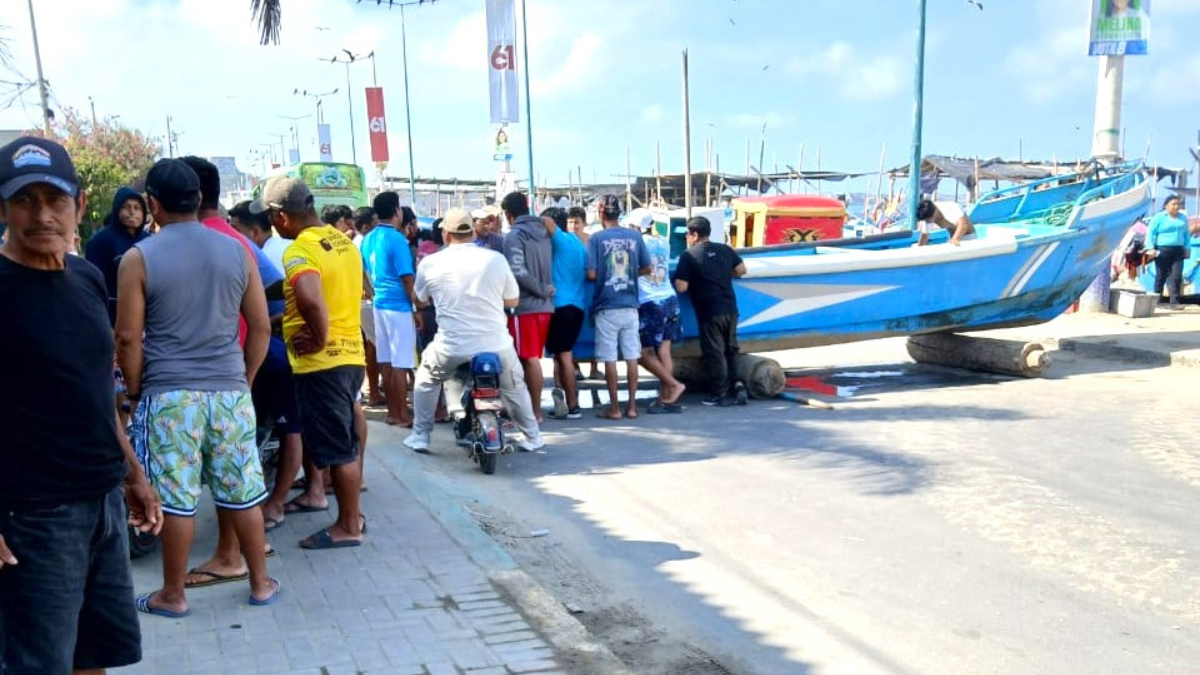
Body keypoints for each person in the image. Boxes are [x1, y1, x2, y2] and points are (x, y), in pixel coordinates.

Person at [0, 136, 161, 675]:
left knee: (95, 654)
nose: (42, 215)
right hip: (32, 516)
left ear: (80, 205)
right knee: (40, 664)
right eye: (25, 200)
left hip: (104, 501)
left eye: (55, 199)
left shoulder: (87, 277)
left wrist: (133, 473)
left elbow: (95, 389)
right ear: (3, 208)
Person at [116, 158, 277, 617]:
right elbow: (261, 327)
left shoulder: (139, 257)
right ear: (200, 198)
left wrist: (133, 391)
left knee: (176, 497)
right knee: (242, 490)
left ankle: (173, 594)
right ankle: (261, 583)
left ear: (153, 204)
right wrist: (242, 381)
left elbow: (127, 338)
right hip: (229, 392)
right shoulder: (237, 251)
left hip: (170, 395)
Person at [176, 156, 300, 583]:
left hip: (214, 375)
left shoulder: (191, 240)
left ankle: (231, 556)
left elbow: (272, 303)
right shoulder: (233, 239)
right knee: (235, 468)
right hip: (240, 369)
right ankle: (248, 549)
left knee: (222, 471)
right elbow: (271, 299)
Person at [251, 176, 367, 549]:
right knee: (342, 439)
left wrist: (316, 335)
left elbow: (312, 298)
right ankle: (353, 515)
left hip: (323, 362)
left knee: (338, 448)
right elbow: (351, 292)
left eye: (269, 216)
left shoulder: (300, 249)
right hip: (351, 356)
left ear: (282, 216)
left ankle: (348, 525)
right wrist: (279, 321)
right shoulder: (342, 242)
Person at [404, 208, 544, 454]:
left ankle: (421, 435)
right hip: (497, 345)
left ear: (446, 234)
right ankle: (532, 437)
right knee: (514, 386)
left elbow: (421, 298)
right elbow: (512, 301)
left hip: (451, 346)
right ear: (471, 231)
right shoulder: (495, 259)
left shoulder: (431, 262)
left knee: (426, 379)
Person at [586, 194, 650, 420]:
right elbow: (647, 268)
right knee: (632, 356)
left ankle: (614, 408)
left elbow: (592, 273)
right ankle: (632, 407)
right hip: (631, 304)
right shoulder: (634, 236)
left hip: (607, 305)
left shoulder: (596, 239)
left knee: (610, 359)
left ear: (601, 212)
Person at [674, 215, 748, 407]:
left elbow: (681, 286)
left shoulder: (688, 256)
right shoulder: (724, 249)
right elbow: (741, 269)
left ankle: (719, 393)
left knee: (714, 352)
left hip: (709, 310)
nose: (687, 238)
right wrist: (724, 274)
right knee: (731, 348)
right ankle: (739, 385)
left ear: (695, 235)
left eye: (688, 235)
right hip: (730, 307)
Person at [360, 191, 420, 426]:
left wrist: (374, 292)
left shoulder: (368, 238)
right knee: (400, 362)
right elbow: (407, 278)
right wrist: (415, 306)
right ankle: (402, 414)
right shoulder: (397, 239)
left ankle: (393, 414)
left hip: (380, 305)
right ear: (397, 211)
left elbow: (362, 272)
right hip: (398, 306)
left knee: (385, 360)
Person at [502, 191, 554, 422]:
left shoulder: (515, 235)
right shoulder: (543, 232)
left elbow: (517, 270)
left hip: (525, 305)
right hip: (544, 306)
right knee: (531, 357)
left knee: (527, 359)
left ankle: (533, 412)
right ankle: (533, 410)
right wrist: (545, 291)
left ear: (508, 214)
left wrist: (540, 289)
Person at [632, 212, 686, 413]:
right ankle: (666, 398)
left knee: (642, 353)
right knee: (664, 350)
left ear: (634, 226)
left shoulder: (637, 243)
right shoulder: (663, 241)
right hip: (669, 298)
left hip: (650, 301)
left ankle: (674, 385)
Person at [543, 206, 586, 419]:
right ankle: (563, 403)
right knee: (560, 357)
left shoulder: (559, 239)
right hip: (577, 306)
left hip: (561, 306)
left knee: (564, 356)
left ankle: (573, 404)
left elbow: (548, 223)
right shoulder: (578, 243)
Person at [84, 185, 148, 324]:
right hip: (113, 317)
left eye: (137, 208)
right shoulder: (100, 241)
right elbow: (93, 286)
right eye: (126, 207)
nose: (132, 212)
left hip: (147, 318)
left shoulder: (149, 241)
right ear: (117, 209)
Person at [353, 205, 385, 405]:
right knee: (373, 346)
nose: (378, 226)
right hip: (368, 302)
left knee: (373, 345)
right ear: (365, 226)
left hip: (367, 301)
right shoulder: (361, 243)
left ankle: (373, 388)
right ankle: (373, 391)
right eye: (374, 222)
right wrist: (372, 294)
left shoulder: (362, 242)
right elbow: (361, 274)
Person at [1145, 194, 1191, 309]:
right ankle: (1157, 301)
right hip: (1162, 250)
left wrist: (1187, 248)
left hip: (1178, 251)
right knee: (1161, 276)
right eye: (1173, 204)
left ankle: (1174, 302)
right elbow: (1150, 233)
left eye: (1178, 204)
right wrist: (1150, 248)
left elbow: (1186, 235)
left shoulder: (1182, 218)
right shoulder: (1159, 217)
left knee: (1176, 277)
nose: (1176, 207)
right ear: (1166, 206)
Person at [231, 199, 292, 273]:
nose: (231, 236)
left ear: (255, 232)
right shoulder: (294, 246)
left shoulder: (257, 264)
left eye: (235, 231)